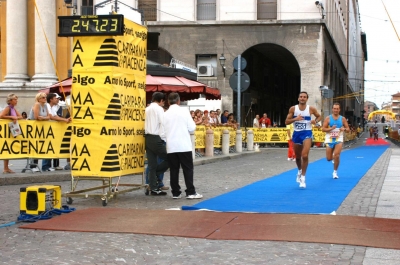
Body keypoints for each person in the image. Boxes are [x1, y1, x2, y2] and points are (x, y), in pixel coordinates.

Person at [163, 92, 203, 199]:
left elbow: (161, 133)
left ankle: (176, 192)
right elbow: (192, 128)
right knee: (188, 169)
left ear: (168, 102)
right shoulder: (184, 111)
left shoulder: (165, 114)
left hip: (171, 146)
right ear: (178, 101)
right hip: (184, 145)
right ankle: (190, 191)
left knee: (174, 170)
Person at [285, 91, 321, 188]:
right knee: (297, 157)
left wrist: (315, 121)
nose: (302, 98)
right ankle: (300, 171)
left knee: (304, 155)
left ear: (307, 99)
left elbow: (319, 116)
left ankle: (303, 178)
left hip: (307, 133)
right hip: (297, 134)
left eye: (304, 97)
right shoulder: (293, 109)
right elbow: (287, 121)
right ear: (298, 98)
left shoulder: (311, 109)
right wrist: (295, 119)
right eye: (301, 97)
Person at [144, 92, 169, 196]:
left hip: (147, 137)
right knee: (170, 158)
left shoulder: (147, 108)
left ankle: (153, 188)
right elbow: (163, 123)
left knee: (152, 164)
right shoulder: (159, 109)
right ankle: (154, 176)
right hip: (156, 137)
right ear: (161, 100)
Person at [41, 93, 72, 171]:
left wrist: (65, 120)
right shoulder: (47, 106)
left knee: (53, 146)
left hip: (52, 129)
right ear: (51, 99)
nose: (58, 99)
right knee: (48, 146)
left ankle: (54, 165)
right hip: (47, 129)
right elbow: (51, 117)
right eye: (56, 98)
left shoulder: (53, 107)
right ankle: (45, 166)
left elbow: (56, 116)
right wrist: (64, 120)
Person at [321, 103, 350, 179]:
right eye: (334, 108)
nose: (336, 110)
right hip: (329, 139)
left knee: (336, 155)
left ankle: (335, 172)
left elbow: (348, 129)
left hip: (338, 139)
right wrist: (331, 128)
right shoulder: (328, 118)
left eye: (337, 109)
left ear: (339, 110)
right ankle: (333, 159)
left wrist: (344, 129)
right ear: (332, 109)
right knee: (329, 158)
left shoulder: (342, 119)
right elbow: (323, 129)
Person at [0, 93, 23, 174]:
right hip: (7, 131)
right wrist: (12, 117)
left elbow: (21, 116)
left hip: (11, 130)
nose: (16, 101)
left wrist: (15, 117)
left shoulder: (13, 108)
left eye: (16, 99)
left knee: (8, 149)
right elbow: (1, 115)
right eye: (15, 99)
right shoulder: (8, 108)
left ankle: (6, 168)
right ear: (10, 101)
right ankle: (5, 168)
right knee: (6, 148)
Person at [28, 92, 51, 172]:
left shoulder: (45, 105)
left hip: (41, 128)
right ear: (39, 99)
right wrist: (44, 118)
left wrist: (43, 118)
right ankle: (33, 165)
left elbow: (49, 116)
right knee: (35, 146)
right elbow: (36, 117)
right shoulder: (37, 104)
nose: (45, 98)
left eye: (45, 97)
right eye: (43, 97)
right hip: (34, 128)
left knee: (40, 146)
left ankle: (39, 165)